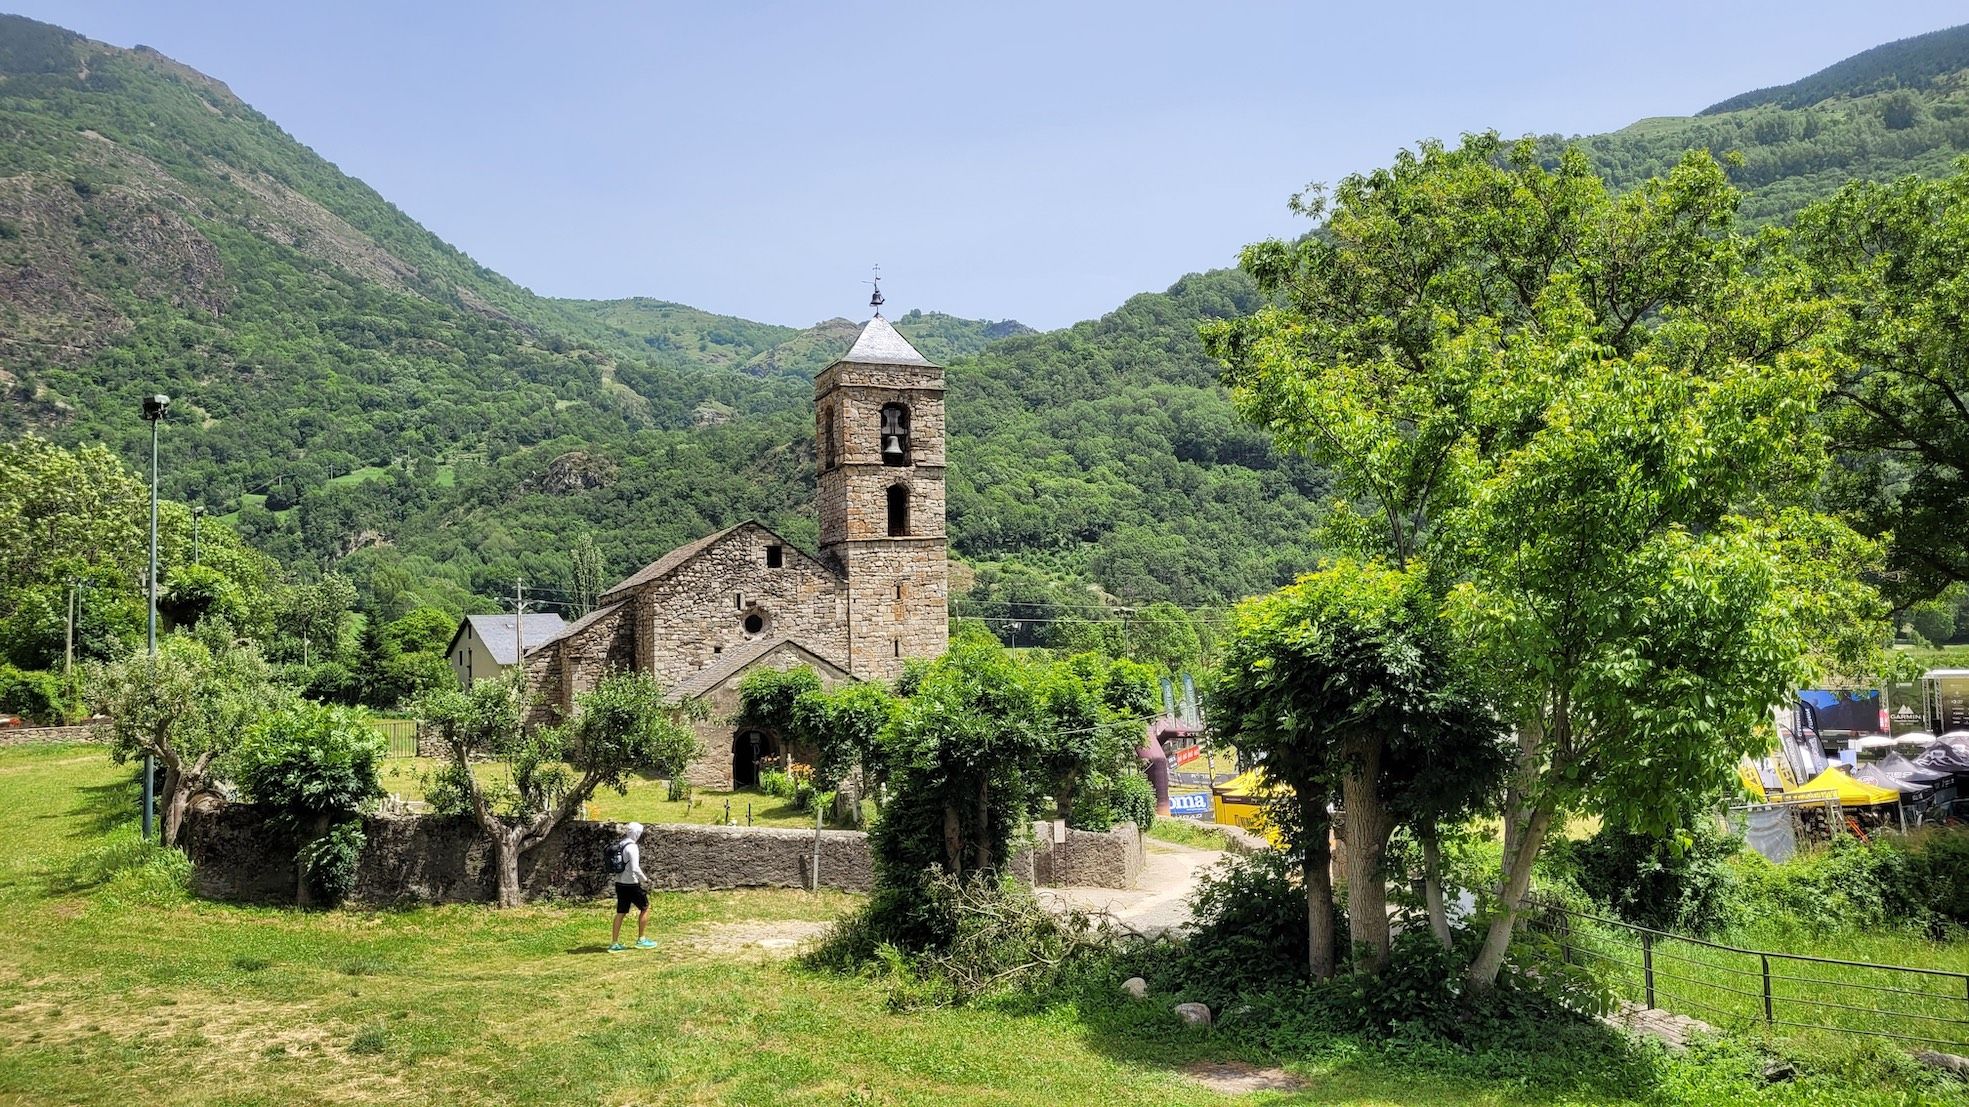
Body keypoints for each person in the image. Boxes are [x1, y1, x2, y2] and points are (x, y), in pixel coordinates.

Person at [609, 822, 655, 951]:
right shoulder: (633, 847)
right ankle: (641, 939)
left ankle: (614, 943)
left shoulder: (621, 844)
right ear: (636, 833)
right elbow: (635, 868)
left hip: (620, 883)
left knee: (621, 912)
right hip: (631, 884)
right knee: (645, 908)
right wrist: (645, 880)